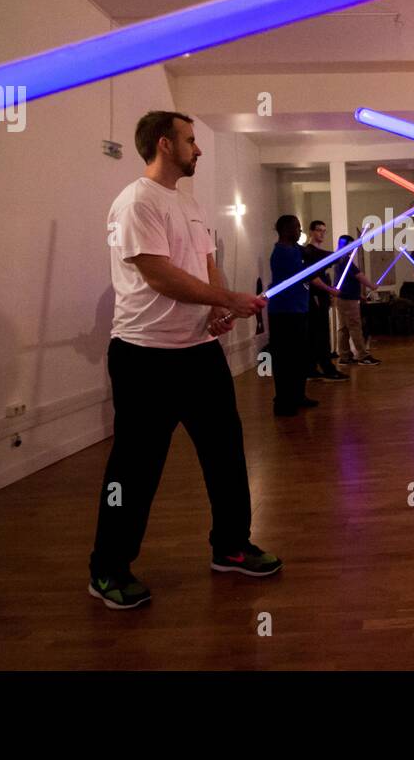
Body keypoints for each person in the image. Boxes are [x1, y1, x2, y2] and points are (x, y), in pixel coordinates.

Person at [89, 110, 281, 610]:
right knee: (135, 468)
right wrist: (231, 299)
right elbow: (159, 275)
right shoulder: (135, 202)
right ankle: (108, 569)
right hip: (144, 356)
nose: (200, 149)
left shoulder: (188, 202)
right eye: (191, 140)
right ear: (164, 144)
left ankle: (232, 546)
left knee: (226, 452)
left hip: (198, 354)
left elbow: (206, 263)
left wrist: (221, 305)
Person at [268, 215, 321, 416]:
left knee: (299, 357)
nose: (300, 231)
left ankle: (298, 396)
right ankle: (283, 402)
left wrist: (337, 254)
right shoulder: (282, 252)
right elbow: (305, 273)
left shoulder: (294, 249)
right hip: (284, 312)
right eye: (297, 227)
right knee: (285, 359)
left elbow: (312, 252)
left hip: (297, 310)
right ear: (286, 230)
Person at [302, 219, 346, 382]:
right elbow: (312, 277)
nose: (322, 233)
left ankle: (312, 369)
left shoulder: (317, 253)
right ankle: (326, 368)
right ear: (312, 231)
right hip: (315, 297)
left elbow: (332, 259)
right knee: (319, 334)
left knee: (317, 334)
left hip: (321, 297)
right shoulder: (309, 251)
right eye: (319, 230)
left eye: (324, 230)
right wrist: (330, 290)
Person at [334, 234, 380, 365]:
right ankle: (362, 356)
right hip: (347, 300)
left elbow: (344, 281)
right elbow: (359, 276)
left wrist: (358, 295)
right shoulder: (345, 260)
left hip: (343, 298)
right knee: (355, 327)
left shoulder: (340, 260)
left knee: (343, 328)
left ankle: (345, 356)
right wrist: (372, 285)